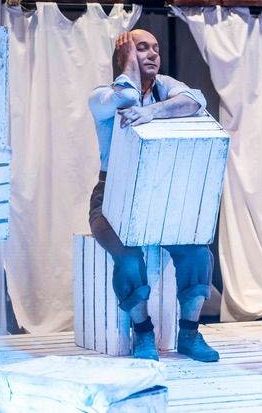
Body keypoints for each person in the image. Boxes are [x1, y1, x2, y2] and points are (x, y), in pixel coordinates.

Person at [88, 29, 219, 363]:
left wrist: (152, 112)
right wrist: (128, 64)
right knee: (129, 258)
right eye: (141, 48)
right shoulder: (102, 96)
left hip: (162, 196)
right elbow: (127, 98)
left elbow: (195, 102)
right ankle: (143, 332)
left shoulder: (166, 87)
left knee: (198, 253)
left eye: (156, 48)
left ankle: (189, 334)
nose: (152, 54)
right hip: (113, 197)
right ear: (123, 55)